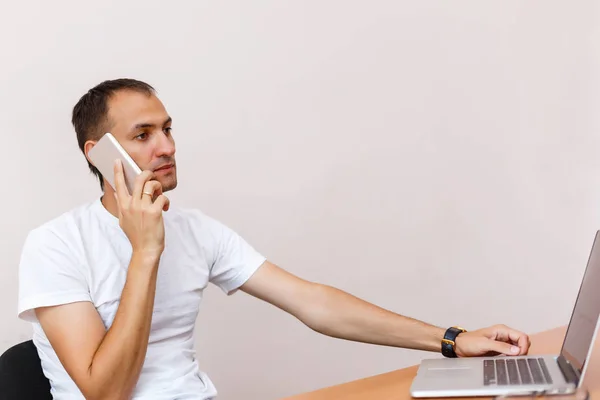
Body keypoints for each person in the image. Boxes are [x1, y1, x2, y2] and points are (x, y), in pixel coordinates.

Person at [17, 78, 530, 400]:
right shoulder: (55, 245)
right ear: (97, 154)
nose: (168, 146)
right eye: (143, 135)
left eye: (168, 129)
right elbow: (105, 392)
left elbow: (314, 303)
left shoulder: (197, 230)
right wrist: (146, 252)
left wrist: (453, 340)